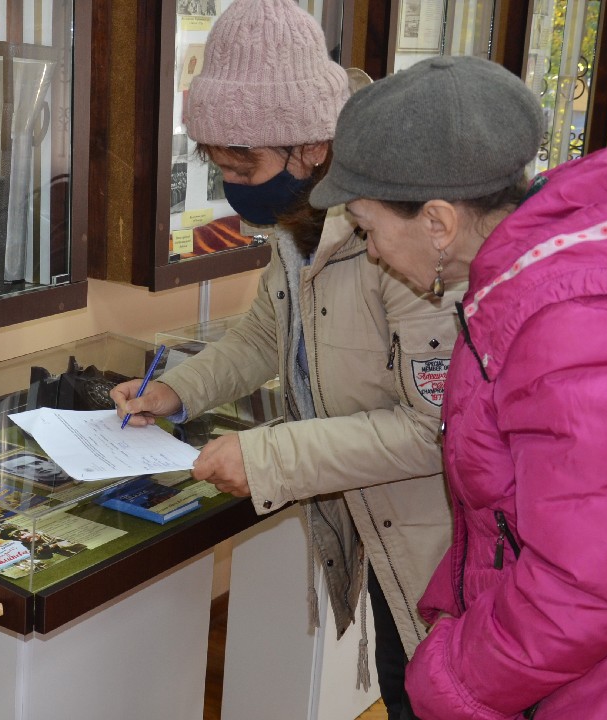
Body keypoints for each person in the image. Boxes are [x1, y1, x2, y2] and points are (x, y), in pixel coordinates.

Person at [310, 55, 607, 718]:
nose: (370, 251)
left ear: (437, 222)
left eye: (369, 229)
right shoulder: (539, 291)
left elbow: (584, 585)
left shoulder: (568, 333)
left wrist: (448, 680)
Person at [110, 2, 459, 716]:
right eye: (217, 162)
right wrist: (172, 392)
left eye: (244, 163)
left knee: (431, 695)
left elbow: (435, 429)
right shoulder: (302, 212)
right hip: (384, 522)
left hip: (442, 548)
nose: (233, 184)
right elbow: (269, 334)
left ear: (310, 144)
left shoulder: (400, 224)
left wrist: (268, 457)